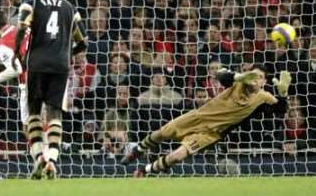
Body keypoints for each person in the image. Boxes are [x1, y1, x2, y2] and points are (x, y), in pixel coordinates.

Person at [121, 66, 291, 177]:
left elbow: (280, 110)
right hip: (197, 116)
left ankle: (144, 171)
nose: (256, 79)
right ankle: (138, 150)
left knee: (177, 156)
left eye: (260, 77)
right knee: (161, 133)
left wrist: (283, 94)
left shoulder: (263, 97)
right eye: (253, 76)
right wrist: (240, 76)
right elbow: (220, 74)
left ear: (264, 82)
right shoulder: (237, 83)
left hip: (210, 133)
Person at [14, 0, 88, 179]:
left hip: (36, 63)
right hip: (60, 66)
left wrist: (16, 53)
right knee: (55, 113)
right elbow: (84, 42)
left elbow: (21, 28)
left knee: (34, 112)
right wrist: (66, 54)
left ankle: (39, 158)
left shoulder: (31, 4)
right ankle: (53, 160)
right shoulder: (70, 8)